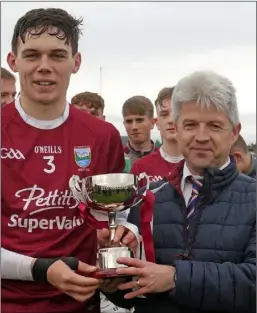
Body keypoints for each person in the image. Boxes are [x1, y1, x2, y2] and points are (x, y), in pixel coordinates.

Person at [1, 8, 139, 313]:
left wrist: (123, 240)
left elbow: (112, 219)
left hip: (80, 304)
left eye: (58, 56)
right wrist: (41, 269)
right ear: (14, 61)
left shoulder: (103, 135)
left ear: (75, 62)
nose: (44, 67)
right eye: (32, 55)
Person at [105, 71, 256, 313]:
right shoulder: (148, 197)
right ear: (176, 128)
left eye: (214, 126)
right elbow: (135, 293)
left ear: (235, 132)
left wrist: (176, 278)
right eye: (190, 125)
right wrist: (113, 281)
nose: (201, 136)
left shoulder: (253, 198)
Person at [131, 87, 183, 184]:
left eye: (176, 113)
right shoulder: (140, 168)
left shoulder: (203, 166)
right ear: (157, 123)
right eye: (164, 114)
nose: (171, 120)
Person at [122, 96, 156, 172]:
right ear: (124, 124)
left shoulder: (164, 158)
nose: (134, 127)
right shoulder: (116, 159)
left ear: (152, 123)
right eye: (129, 121)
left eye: (139, 120)